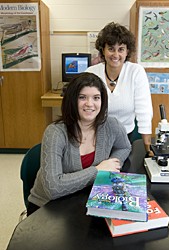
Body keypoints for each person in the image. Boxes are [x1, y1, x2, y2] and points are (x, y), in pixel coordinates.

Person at [27, 72, 131, 215]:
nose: (90, 104)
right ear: (71, 100)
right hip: (48, 207)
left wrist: (112, 163)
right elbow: (53, 188)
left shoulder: (111, 124)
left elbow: (124, 146)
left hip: (84, 199)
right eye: (82, 97)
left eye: (96, 98)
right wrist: (98, 170)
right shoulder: (55, 133)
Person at [85, 22, 153, 156]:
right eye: (111, 48)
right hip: (96, 137)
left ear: (127, 51)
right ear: (103, 50)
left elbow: (144, 111)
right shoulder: (91, 73)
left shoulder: (136, 72)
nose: (116, 54)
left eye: (121, 49)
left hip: (126, 136)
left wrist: (148, 149)